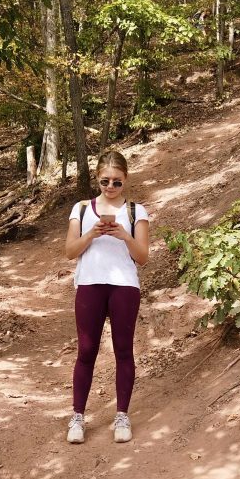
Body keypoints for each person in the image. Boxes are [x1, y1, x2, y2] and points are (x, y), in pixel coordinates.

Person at [64, 151, 150, 444]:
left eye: (117, 182)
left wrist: (124, 236)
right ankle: (78, 417)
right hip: (90, 284)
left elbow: (143, 257)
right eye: (105, 181)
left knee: (123, 350)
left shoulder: (136, 211)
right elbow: (70, 251)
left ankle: (122, 415)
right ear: (97, 179)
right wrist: (92, 234)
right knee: (86, 351)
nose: (111, 187)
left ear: (125, 179)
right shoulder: (81, 209)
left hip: (124, 286)